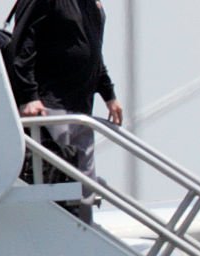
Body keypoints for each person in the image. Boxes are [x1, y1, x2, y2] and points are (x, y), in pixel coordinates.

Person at [9, 0, 123, 222]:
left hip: (81, 110)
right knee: (59, 185)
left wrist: (108, 94)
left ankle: (82, 237)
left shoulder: (92, 5)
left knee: (84, 189)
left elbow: (92, 51)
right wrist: (29, 96)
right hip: (49, 105)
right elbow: (22, 44)